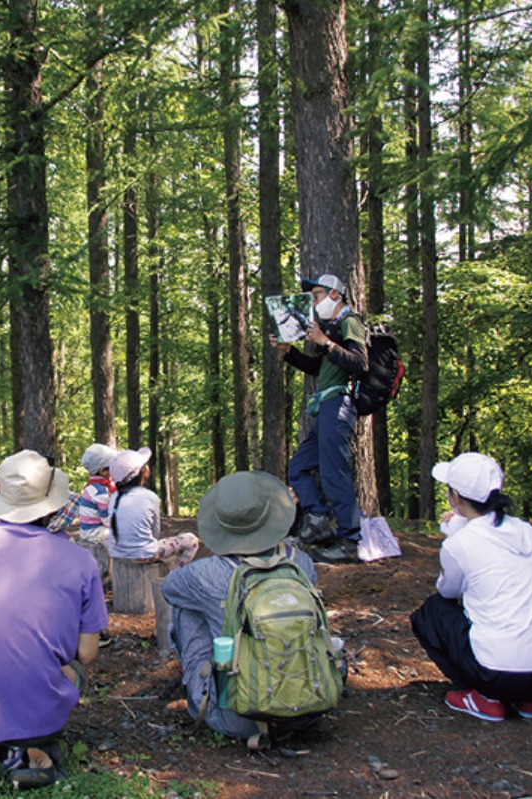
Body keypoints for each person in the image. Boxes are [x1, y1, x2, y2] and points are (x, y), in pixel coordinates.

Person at [0, 450, 108, 790]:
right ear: (53, 505)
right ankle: (36, 744)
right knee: (76, 665)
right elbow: (88, 653)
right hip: (42, 706)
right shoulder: (80, 561)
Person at [410, 452, 532, 723]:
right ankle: (527, 700)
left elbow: (449, 591)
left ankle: (484, 697)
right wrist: (460, 525)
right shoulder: (527, 532)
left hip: (496, 672)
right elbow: (488, 532)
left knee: (432, 612)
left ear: (456, 498)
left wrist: (455, 532)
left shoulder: (458, 545)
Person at [162, 471, 323, 740]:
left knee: (186, 604)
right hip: (310, 707)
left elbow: (170, 589)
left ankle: (204, 687)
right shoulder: (301, 563)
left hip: (235, 718)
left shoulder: (205, 573)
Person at [269, 274, 368, 564]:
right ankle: (319, 521)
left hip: (339, 404)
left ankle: (351, 541)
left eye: (317, 295)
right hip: (324, 407)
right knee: (299, 467)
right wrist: (289, 353)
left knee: (334, 472)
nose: (314, 302)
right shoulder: (333, 328)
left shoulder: (351, 322)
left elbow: (361, 364)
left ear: (336, 295)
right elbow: (316, 367)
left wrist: (326, 343)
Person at [108, 447, 198, 568]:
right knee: (191, 540)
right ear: (143, 471)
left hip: (117, 553)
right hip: (144, 554)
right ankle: (177, 573)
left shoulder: (114, 497)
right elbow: (155, 531)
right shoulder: (150, 497)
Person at [77, 443, 118, 545]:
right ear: (103, 471)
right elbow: (107, 520)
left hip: (90, 530)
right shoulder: (100, 491)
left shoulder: (93, 487)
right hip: (94, 532)